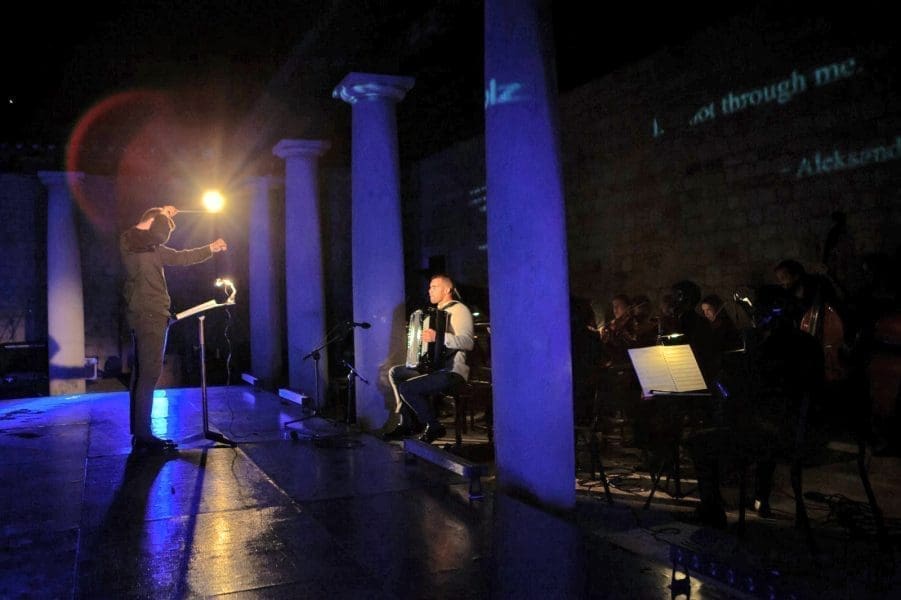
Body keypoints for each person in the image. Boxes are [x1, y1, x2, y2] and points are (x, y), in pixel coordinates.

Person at [684, 284, 825, 528]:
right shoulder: (810, 343)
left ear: (769, 313)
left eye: (758, 311)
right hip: (807, 433)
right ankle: (760, 496)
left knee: (698, 441)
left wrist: (724, 386)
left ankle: (712, 510)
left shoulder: (770, 346)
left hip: (779, 437)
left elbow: (744, 388)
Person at [120, 205, 227, 453]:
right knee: (149, 374)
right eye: (160, 222)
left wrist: (210, 248)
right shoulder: (130, 241)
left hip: (146, 315)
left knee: (142, 374)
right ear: (151, 222)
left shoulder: (146, 246)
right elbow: (152, 230)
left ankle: (139, 432)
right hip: (150, 315)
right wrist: (161, 214)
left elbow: (182, 257)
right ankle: (144, 436)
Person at [388, 274, 475, 443]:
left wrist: (438, 337)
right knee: (396, 372)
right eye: (429, 287)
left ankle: (433, 426)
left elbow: (468, 342)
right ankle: (407, 423)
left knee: (407, 388)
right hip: (435, 368)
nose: (429, 291)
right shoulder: (433, 314)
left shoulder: (459, 310)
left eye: (434, 287)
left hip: (453, 371)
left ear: (447, 289)